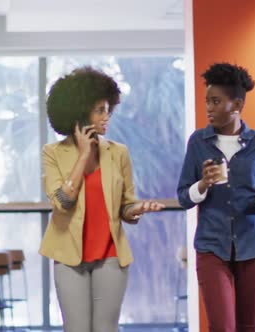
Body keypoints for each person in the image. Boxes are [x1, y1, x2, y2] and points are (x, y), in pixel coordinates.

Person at [39, 66, 164, 332]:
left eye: (108, 109)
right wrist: (84, 155)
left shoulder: (118, 153)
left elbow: (126, 206)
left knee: (106, 329)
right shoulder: (53, 153)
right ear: (80, 112)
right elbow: (63, 201)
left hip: (110, 255)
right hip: (69, 256)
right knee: (76, 329)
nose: (107, 117)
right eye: (99, 110)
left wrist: (137, 209)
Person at [177, 62, 255, 332]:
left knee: (250, 326)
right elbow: (183, 197)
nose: (209, 108)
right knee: (222, 326)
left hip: (254, 245)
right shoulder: (197, 142)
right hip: (211, 246)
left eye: (216, 101)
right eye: (207, 101)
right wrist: (203, 184)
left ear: (236, 104)